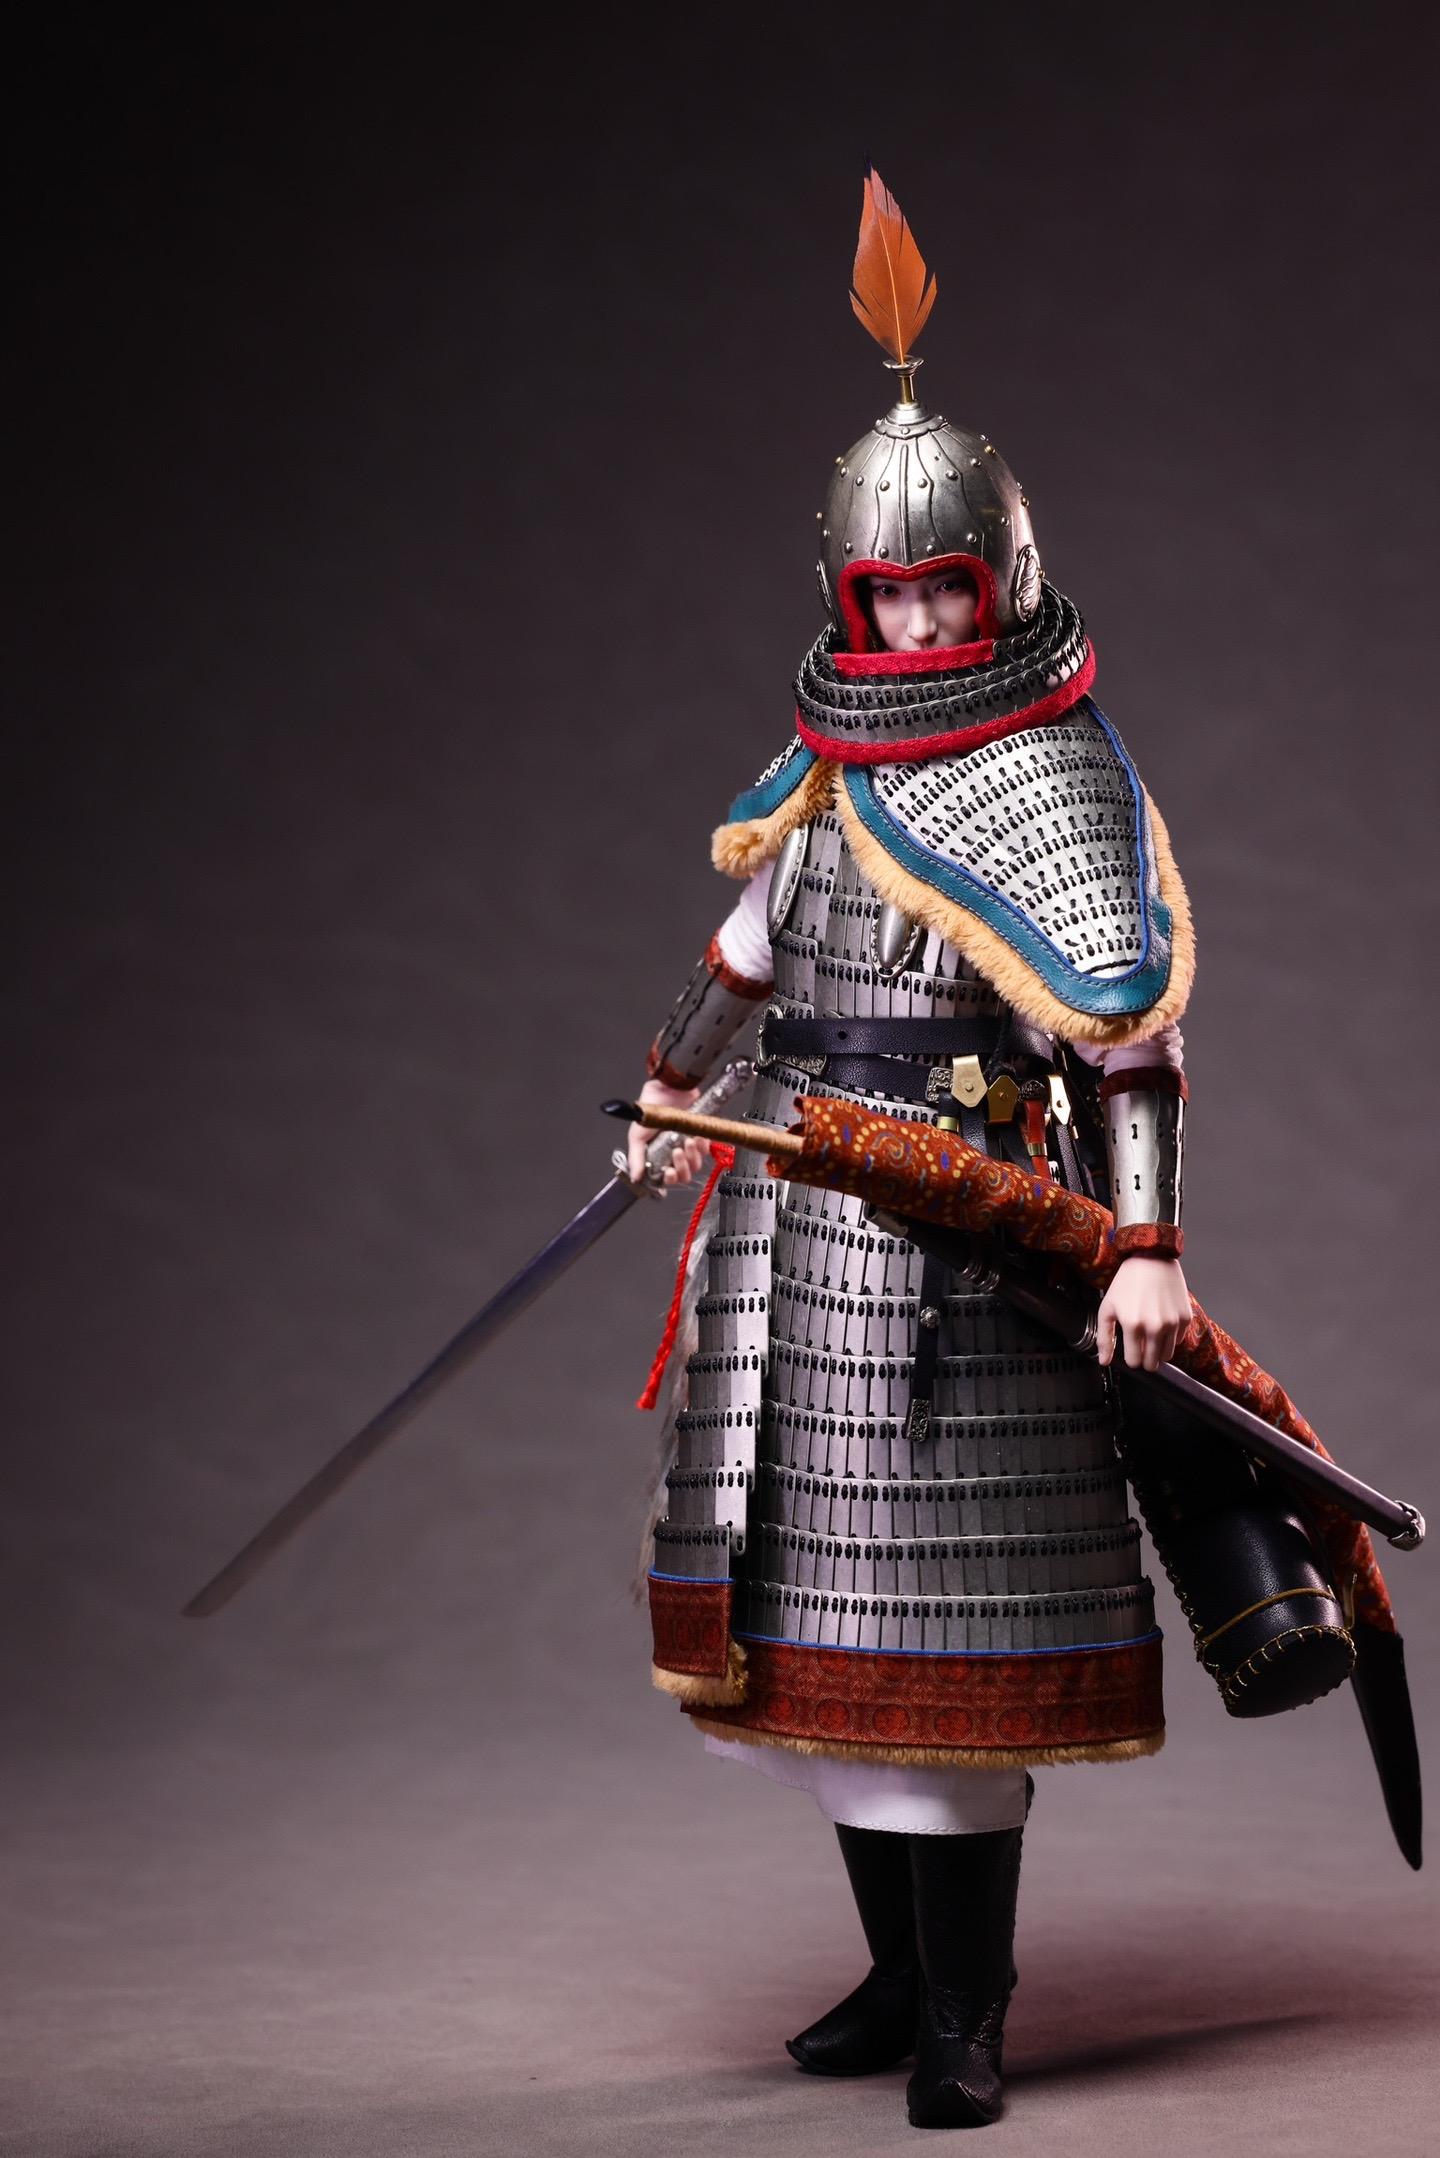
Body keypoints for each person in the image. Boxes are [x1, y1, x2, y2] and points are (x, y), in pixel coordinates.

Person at [627, 174, 1194, 2132]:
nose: (930, 621)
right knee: (817, 1644)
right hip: (794, 1238)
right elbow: (743, 960)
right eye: (898, 596)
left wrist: (1146, 1247)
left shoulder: (1051, 780)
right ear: (851, 599)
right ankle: (893, 1978)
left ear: (1003, 574)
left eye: (952, 587)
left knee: (948, 1639)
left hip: (964, 1246)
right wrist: (661, 1090)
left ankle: (968, 2008)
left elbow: (1126, 1038)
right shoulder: (823, 773)